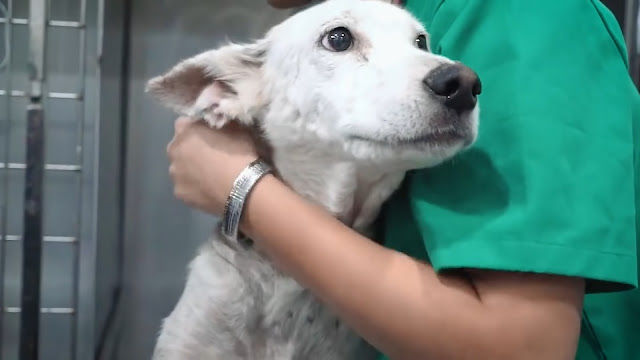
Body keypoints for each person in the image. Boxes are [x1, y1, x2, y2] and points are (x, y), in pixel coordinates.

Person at [166, 0, 640, 358]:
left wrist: (242, 189)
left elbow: (523, 347)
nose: (447, 76)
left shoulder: (524, 14)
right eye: (340, 40)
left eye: (420, 44)